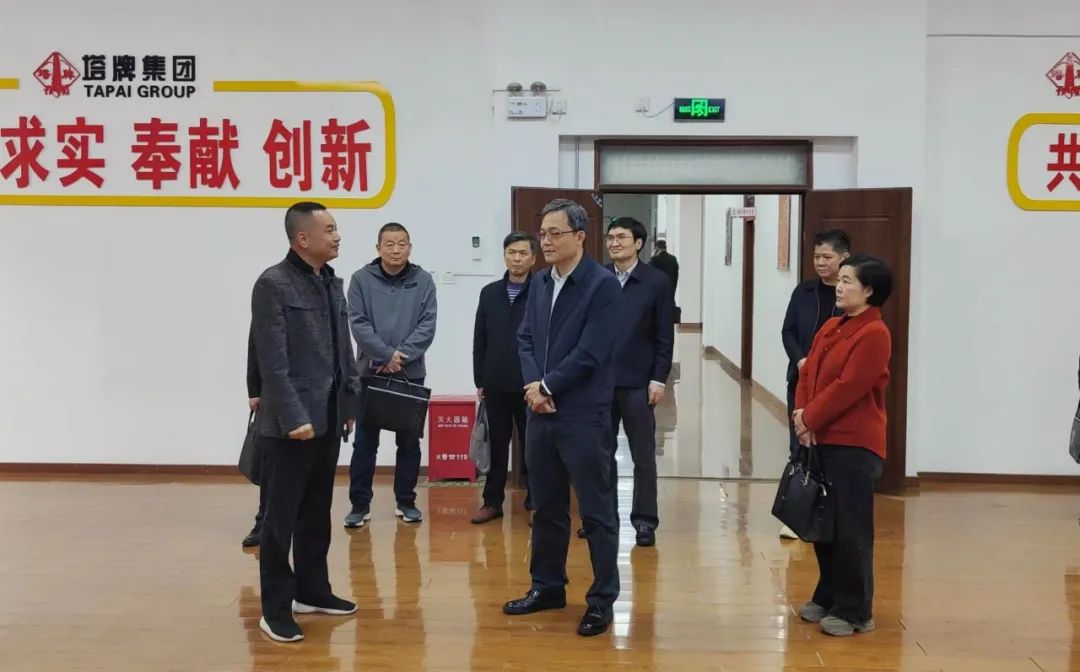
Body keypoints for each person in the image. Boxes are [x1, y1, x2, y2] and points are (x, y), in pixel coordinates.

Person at [502, 198, 621, 637]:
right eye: (543, 234)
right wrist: (535, 387)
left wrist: (548, 386)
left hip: (583, 414)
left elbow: (592, 351)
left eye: (555, 233)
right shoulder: (539, 282)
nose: (546, 241)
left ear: (580, 237)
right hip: (541, 413)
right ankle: (547, 586)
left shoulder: (601, 285)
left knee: (597, 511)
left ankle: (602, 600)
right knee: (546, 506)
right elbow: (525, 339)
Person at [249, 201, 359, 643]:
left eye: (336, 228)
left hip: (327, 416)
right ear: (302, 238)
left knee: (316, 512)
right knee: (280, 519)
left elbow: (343, 348)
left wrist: (348, 405)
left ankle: (312, 591)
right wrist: (293, 415)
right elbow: (270, 360)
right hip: (289, 424)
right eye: (329, 229)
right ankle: (275, 609)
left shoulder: (330, 281)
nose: (337, 236)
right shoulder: (273, 284)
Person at [792, 253, 893, 638]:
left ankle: (855, 610)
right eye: (841, 279)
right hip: (820, 436)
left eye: (848, 280)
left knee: (852, 530)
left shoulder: (875, 334)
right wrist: (801, 415)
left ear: (869, 291)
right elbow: (808, 373)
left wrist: (810, 418)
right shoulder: (831, 326)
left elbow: (848, 388)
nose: (840, 285)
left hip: (854, 444)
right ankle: (829, 594)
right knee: (824, 524)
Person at [586, 216, 673, 547]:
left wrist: (659, 378)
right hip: (600, 382)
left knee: (643, 456)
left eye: (621, 237)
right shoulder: (597, 277)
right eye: (610, 237)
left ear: (638, 243)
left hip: (638, 383)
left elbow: (664, 335)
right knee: (599, 454)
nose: (614, 243)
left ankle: (645, 520)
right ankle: (601, 517)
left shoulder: (656, 282)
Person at [345, 223, 437, 527]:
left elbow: (427, 325)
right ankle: (359, 505)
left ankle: (406, 501)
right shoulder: (361, 279)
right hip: (370, 373)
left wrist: (399, 357)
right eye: (389, 244)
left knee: (409, 442)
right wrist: (385, 356)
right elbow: (358, 323)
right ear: (378, 248)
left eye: (402, 244)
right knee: (364, 442)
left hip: (410, 373)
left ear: (410, 247)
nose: (396, 250)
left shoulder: (423, 280)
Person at [779, 229, 850, 540]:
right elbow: (788, 331)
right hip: (801, 379)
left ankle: (829, 513)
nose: (820, 263)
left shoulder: (851, 297)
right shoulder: (804, 291)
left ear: (844, 258)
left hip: (834, 384)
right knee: (799, 443)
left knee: (830, 447)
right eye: (816, 257)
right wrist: (800, 361)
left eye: (827, 257)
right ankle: (797, 515)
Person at [471, 231, 536, 524]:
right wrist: (480, 380)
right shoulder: (489, 293)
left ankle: (535, 502)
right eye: (512, 252)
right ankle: (492, 502)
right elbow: (480, 338)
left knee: (533, 446)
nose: (516, 258)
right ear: (504, 256)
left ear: (533, 258)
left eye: (523, 253)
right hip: (495, 382)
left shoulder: (542, 290)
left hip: (530, 383)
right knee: (496, 446)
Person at [242, 324, 266, 548]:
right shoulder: (269, 303)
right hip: (273, 392)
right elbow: (255, 344)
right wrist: (254, 390)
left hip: (314, 393)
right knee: (270, 464)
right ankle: (264, 522)